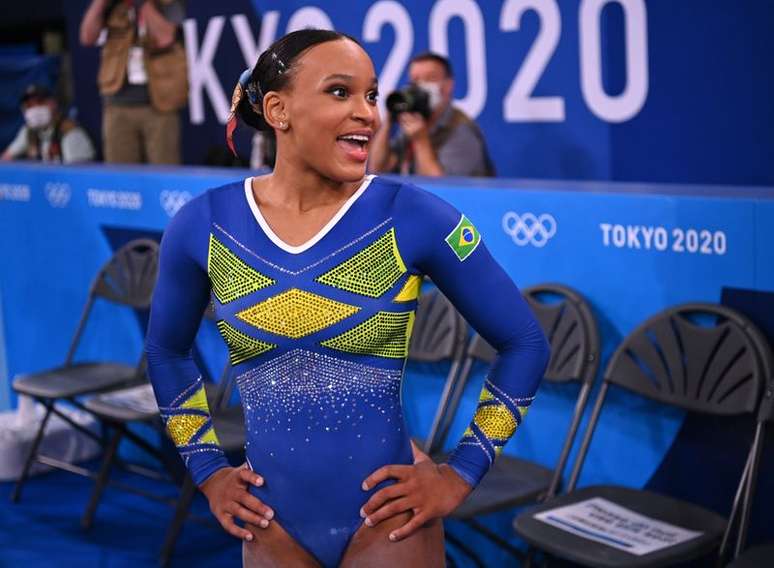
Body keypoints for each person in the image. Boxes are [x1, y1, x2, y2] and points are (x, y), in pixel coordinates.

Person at [145, 29, 548, 567]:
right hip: (270, 526)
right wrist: (209, 471)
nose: (368, 114)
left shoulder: (413, 215)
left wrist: (460, 474)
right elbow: (166, 353)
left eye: (372, 95)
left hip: (387, 526)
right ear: (278, 109)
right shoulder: (204, 223)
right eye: (341, 92)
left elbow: (524, 343)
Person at [79, 0, 187, 164]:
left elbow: (165, 37)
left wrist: (141, 4)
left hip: (160, 105)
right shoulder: (112, 6)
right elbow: (87, 37)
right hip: (117, 105)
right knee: (120, 180)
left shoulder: (167, 3)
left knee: (165, 176)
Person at [370, 52, 494, 177]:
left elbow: (442, 189)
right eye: (415, 80)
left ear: (448, 86)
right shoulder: (413, 122)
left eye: (430, 78)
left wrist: (420, 140)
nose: (421, 86)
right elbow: (378, 168)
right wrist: (388, 122)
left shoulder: (461, 131)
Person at [1, 85, 95, 164]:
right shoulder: (29, 131)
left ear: (53, 103)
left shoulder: (69, 132)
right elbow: (6, 158)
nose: (34, 109)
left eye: (39, 102)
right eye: (29, 106)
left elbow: (78, 175)